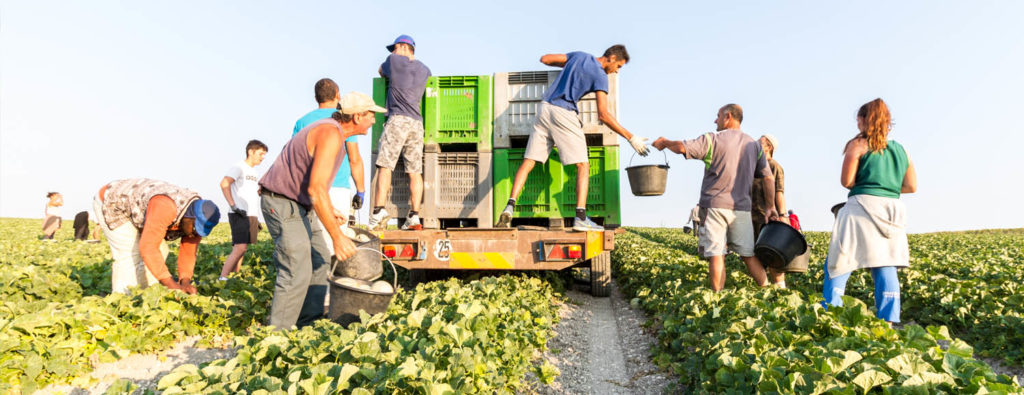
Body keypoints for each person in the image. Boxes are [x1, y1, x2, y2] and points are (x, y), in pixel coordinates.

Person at [259, 91, 384, 329]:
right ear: (357, 117)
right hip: (283, 203)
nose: (374, 120)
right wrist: (337, 237)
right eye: (371, 115)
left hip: (299, 204)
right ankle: (276, 336)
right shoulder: (330, 134)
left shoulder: (331, 131)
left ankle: (308, 324)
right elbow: (316, 189)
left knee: (320, 259)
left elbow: (313, 183)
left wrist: (332, 209)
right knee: (296, 268)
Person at [495, 45, 650, 231]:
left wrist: (571, 69)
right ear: (612, 58)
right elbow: (603, 115)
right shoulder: (601, 76)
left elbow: (545, 59)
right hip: (564, 112)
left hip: (544, 108)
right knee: (583, 165)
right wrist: (630, 137)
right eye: (619, 66)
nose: (617, 71)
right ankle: (580, 217)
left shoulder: (580, 56)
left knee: (529, 161)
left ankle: (509, 207)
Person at [652, 104, 777, 292]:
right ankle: (768, 291)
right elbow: (768, 177)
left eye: (718, 116)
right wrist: (770, 207)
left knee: (717, 254)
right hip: (742, 209)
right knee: (748, 255)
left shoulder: (712, 140)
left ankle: (717, 298)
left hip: (715, 207)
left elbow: (682, 147)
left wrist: (665, 142)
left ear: (728, 116)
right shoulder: (754, 145)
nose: (715, 120)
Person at [822, 98, 917, 324]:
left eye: (859, 119)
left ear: (865, 120)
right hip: (892, 211)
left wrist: (870, 185)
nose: (857, 124)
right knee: (885, 262)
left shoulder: (858, 145)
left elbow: (847, 181)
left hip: (861, 209)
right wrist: (887, 186)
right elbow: (911, 186)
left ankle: (830, 313)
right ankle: (889, 320)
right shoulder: (901, 149)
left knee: (840, 261)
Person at [92, 178, 221, 294]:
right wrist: (171, 285)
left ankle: (147, 292)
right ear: (189, 217)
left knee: (162, 251)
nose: (195, 233)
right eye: (195, 228)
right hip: (114, 202)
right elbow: (148, 248)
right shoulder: (165, 206)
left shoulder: (197, 219)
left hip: (140, 209)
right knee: (130, 254)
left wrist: (185, 282)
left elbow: (188, 253)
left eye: (199, 232)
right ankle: (122, 299)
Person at [368, 34, 431, 231]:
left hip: (397, 120)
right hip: (416, 124)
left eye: (394, 47)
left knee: (385, 166)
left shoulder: (393, 61)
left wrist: (392, 61)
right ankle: (414, 216)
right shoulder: (425, 69)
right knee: (415, 171)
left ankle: (378, 211)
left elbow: (380, 71)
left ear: (403, 47)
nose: (392, 52)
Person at [295, 78, 366, 243]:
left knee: (312, 240)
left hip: (309, 189)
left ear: (316, 98)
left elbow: (296, 157)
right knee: (335, 242)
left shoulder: (302, 122)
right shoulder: (343, 120)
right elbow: (354, 158)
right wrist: (360, 191)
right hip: (338, 188)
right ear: (338, 96)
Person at [218, 139, 268, 281]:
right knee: (240, 248)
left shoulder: (254, 172)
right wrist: (233, 205)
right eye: (260, 154)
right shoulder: (239, 167)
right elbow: (224, 183)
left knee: (243, 250)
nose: (262, 157)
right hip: (239, 212)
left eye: (264, 155)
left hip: (251, 213)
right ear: (251, 152)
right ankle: (223, 278)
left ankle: (234, 277)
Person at [751, 133, 788, 288]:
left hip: (767, 218)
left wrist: (783, 215)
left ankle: (780, 288)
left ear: (768, 147)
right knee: (754, 254)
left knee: (772, 254)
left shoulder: (774, 166)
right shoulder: (752, 166)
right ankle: (764, 288)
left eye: (760, 142)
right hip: (750, 216)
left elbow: (779, 193)